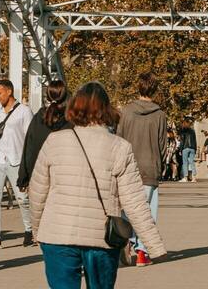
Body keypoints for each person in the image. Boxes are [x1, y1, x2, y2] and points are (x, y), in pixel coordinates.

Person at [24, 82, 167, 289]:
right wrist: (154, 245)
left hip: (57, 235)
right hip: (101, 238)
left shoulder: (54, 141)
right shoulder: (120, 147)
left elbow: (37, 193)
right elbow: (135, 201)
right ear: (107, 110)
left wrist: (37, 231)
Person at [113, 74, 168, 264]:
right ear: (154, 90)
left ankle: (125, 243)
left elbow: (118, 140)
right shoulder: (160, 115)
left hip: (128, 167)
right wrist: (160, 164)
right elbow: (162, 144)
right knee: (148, 211)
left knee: (128, 209)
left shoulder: (126, 112)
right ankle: (142, 252)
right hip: (150, 166)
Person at [0, 80, 34, 250]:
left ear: (9, 91)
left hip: (16, 160)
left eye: (0, 93)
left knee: (22, 198)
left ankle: (29, 231)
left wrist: (28, 163)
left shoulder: (24, 111)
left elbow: (30, 138)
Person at [18, 80, 72, 191]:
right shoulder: (72, 121)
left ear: (47, 96)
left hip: (39, 178)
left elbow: (29, 149)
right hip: (65, 180)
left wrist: (23, 178)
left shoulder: (39, 118)